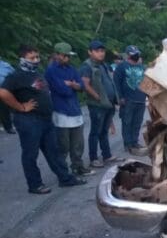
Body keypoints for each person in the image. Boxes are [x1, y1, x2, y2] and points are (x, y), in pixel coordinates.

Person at [0, 45, 86, 194]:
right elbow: (3, 92)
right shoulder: (16, 76)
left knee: (54, 151)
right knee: (30, 153)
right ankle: (35, 184)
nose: (36, 60)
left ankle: (65, 178)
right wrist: (20, 107)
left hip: (46, 119)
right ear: (22, 59)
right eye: (31, 58)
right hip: (29, 120)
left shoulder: (37, 73)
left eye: (37, 57)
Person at [44, 42, 94, 176]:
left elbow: (82, 86)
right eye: (65, 56)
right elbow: (62, 90)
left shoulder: (71, 68)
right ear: (58, 55)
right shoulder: (51, 71)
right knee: (63, 145)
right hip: (61, 111)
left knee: (78, 143)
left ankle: (78, 166)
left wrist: (71, 84)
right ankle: (63, 171)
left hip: (75, 110)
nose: (68, 58)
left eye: (68, 56)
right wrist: (73, 85)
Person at [81, 40, 123, 168]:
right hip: (97, 105)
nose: (100, 53)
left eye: (102, 51)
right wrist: (97, 97)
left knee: (104, 131)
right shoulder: (87, 66)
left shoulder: (103, 65)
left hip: (108, 103)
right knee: (95, 132)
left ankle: (107, 155)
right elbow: (85, 84)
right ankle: (93, 158)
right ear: (90, 52)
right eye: (97, 51)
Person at [114, 45, 148, 156]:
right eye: (134, 53)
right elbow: (116, 83)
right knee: (127, 122)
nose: (136, 55)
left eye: (137, 53)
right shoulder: (121, 67)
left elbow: (147, 83)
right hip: (128, 99)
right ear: (128, 55)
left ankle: (134, 142)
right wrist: (120, 97)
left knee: (137, 122)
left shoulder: (142, 67)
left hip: (141, 99)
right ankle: (127, 144)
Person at [0, 58, 16, 134]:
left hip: (3, 90)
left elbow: (14, 75)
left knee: (4, 109)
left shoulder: (5, 65)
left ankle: (8, 127)